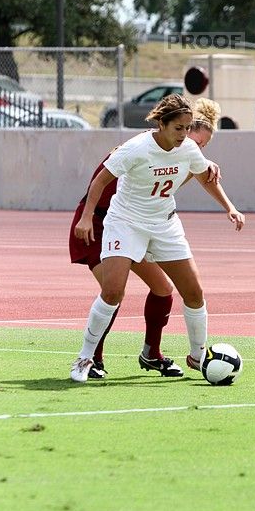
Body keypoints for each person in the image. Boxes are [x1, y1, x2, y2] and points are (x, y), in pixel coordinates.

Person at [69, 96, 243, 382]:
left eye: (188, 129)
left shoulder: (186, 148)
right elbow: (100, 180)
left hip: (163, 225)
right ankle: (86, 358)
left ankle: (197, 356)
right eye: (179, 128)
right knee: (112, 291)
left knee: (193, 292)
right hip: (124, 223)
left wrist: (230, 208)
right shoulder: (136, 148)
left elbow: (202, 177)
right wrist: (86, 218)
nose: (185, 136)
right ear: (161, 124)